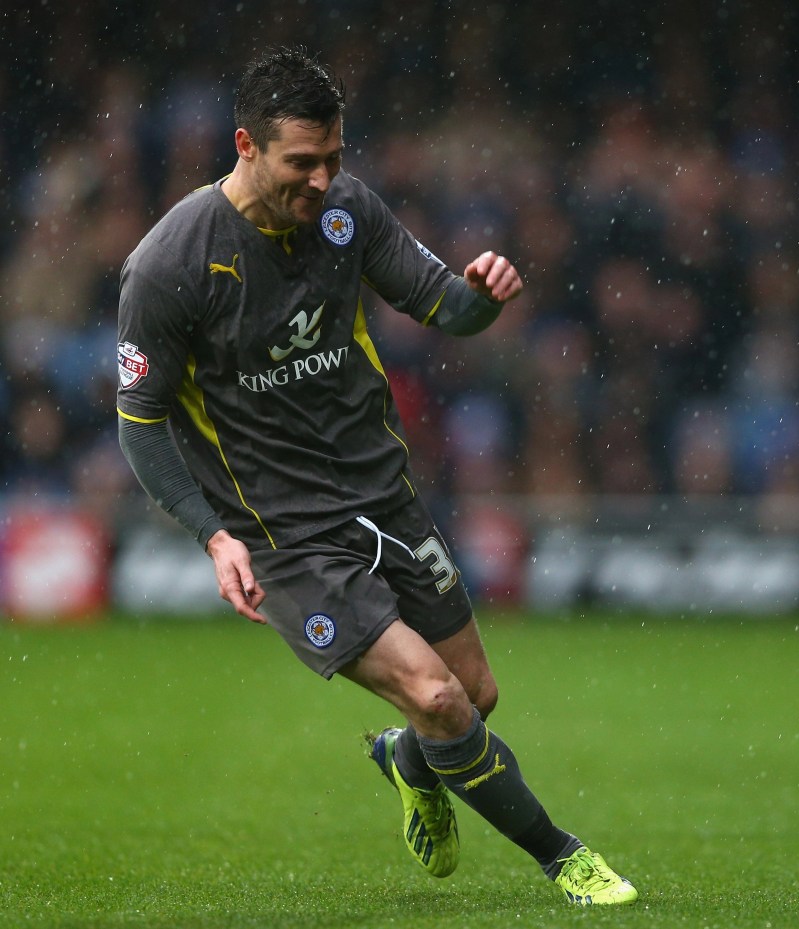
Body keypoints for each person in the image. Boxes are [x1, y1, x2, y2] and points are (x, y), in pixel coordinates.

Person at [116, 45, 637, 907]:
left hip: (383, 495)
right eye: (301, 163)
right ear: (245, 145)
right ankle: (567, 859)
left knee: (473, 694)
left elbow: (444, 303)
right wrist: (213, 535)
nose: (322, 180)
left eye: (333, 158)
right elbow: (139, 422)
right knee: (436, 695)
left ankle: (404, 759)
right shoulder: (170, 264)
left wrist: (485, 292)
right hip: (286, 537)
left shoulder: (346, 211)